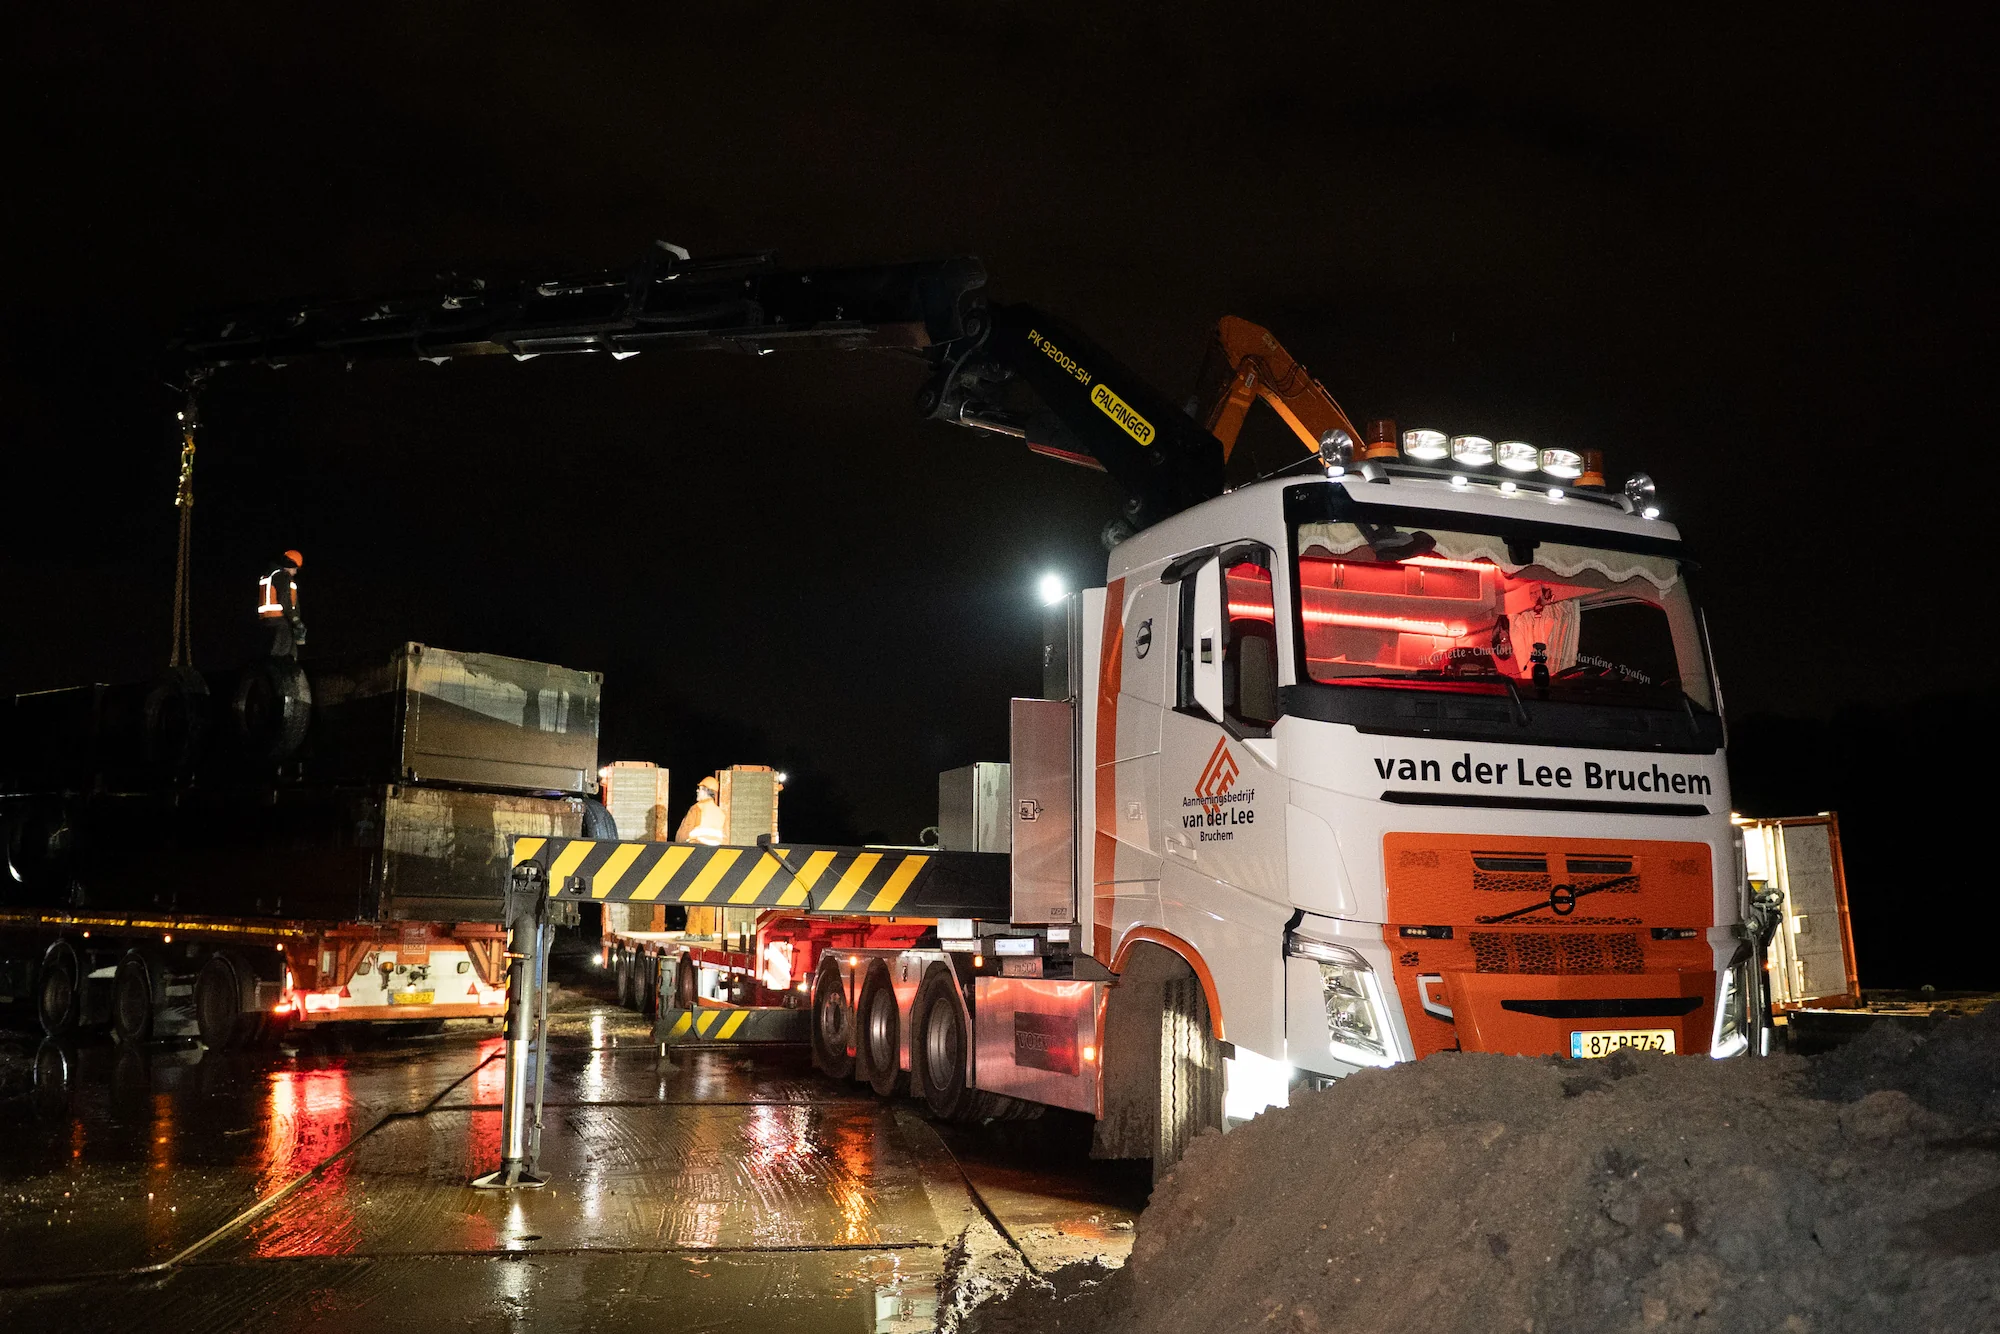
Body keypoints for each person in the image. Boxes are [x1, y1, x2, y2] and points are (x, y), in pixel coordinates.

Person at [257, 550, 308, 658]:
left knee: (277, 652)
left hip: (269, 621)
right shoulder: (282, 576)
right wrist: (295, 620)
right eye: (295, 568)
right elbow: (285, 600)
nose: (295, 572)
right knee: (282, 654)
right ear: (289, 565)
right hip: (279, 620)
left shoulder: (270, 575)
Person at [675, 776, 727, 845]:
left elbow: (682, 836)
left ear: (705, 791)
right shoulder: (721, 813)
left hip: (697, 848)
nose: (697, 791)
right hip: (715, 850)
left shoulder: (697, 808)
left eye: (699, 789)